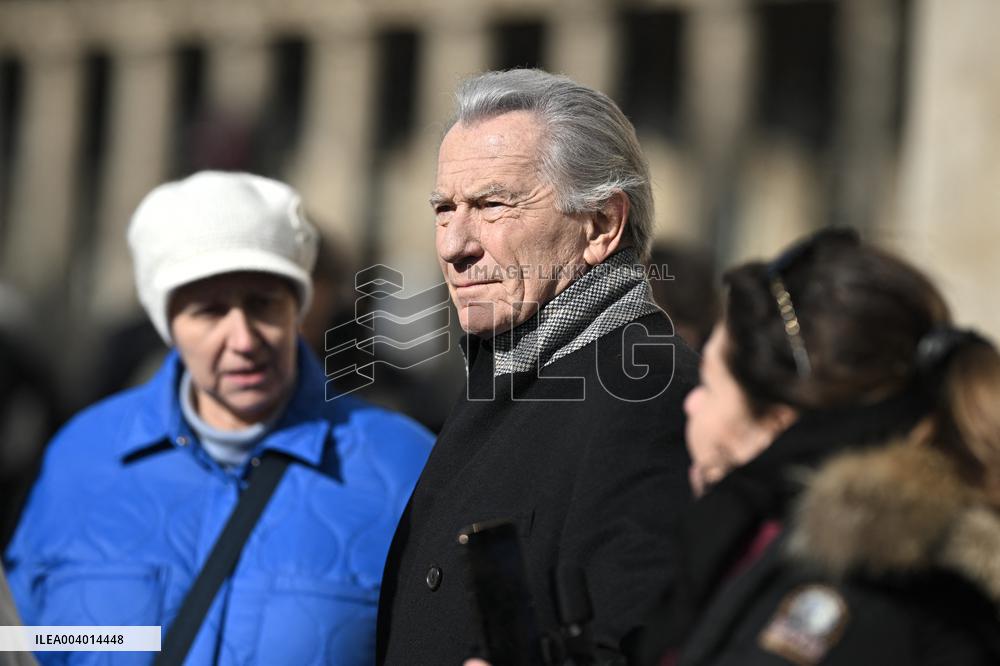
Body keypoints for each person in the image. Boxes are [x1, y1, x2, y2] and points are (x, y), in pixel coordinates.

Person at [4, 171, 434, 665]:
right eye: (208, 311)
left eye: (263, 304)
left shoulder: (402, 465)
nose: (244, 339)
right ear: (168, 325)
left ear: (299, 308)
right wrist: (128, 640)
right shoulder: (81, 455)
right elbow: (27, 639)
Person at [376, 69, 699, 665]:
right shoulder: (512, 365)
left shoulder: (645, 392)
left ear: (601, 225)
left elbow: (642, 641)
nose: (454, 245)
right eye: (444, 209)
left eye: (493, 205)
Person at [632, 229, 1000, 665]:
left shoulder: (848, 597)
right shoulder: (758, 542)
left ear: (775, 425)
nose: (690, 402)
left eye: (708, 385)